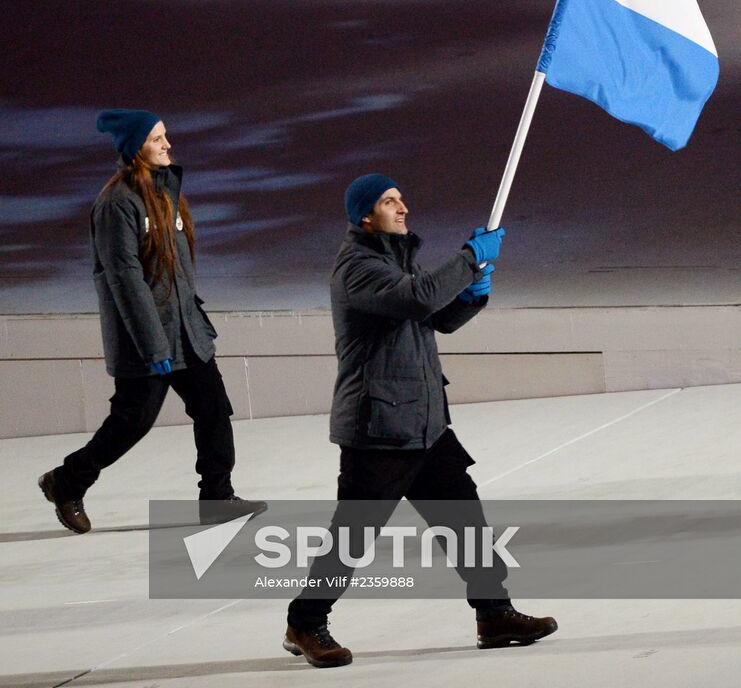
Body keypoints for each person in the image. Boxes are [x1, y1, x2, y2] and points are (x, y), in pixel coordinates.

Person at [283, 173, 557, 668]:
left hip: (426, 422)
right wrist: (470, 259)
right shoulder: (358, 267)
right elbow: (416, 299)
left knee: (465, 521)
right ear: (365, 216)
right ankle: (304, 623)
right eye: (390, 201)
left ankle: (494, 615)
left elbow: (436, 316)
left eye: (402, 198)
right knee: (353, 534)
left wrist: (472, 295)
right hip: (380, 426)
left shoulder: (395, 260)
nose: (402, 206)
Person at [39, 109, 266, 533]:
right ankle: (66, 481)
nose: (167, 145)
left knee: (213, 408)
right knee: (132, 422)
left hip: (187, 333)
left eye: (166, 137)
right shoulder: (116, 204)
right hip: (146, 341)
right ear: (134, 148)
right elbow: (125, 279)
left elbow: (177, 275)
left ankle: (217, 498)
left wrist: (195, 323)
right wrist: (154, 346)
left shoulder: (168, 195)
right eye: (157, 139)